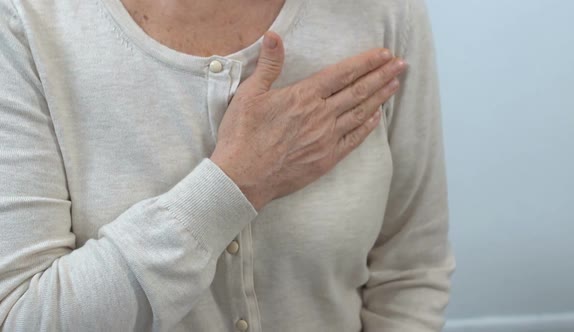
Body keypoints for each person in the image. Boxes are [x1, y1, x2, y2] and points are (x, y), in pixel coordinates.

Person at [0, 0, 455, 330]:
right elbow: (25, 317)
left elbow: (411, 269)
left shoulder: (382, 14)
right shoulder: (25, 25)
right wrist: (237, 181)